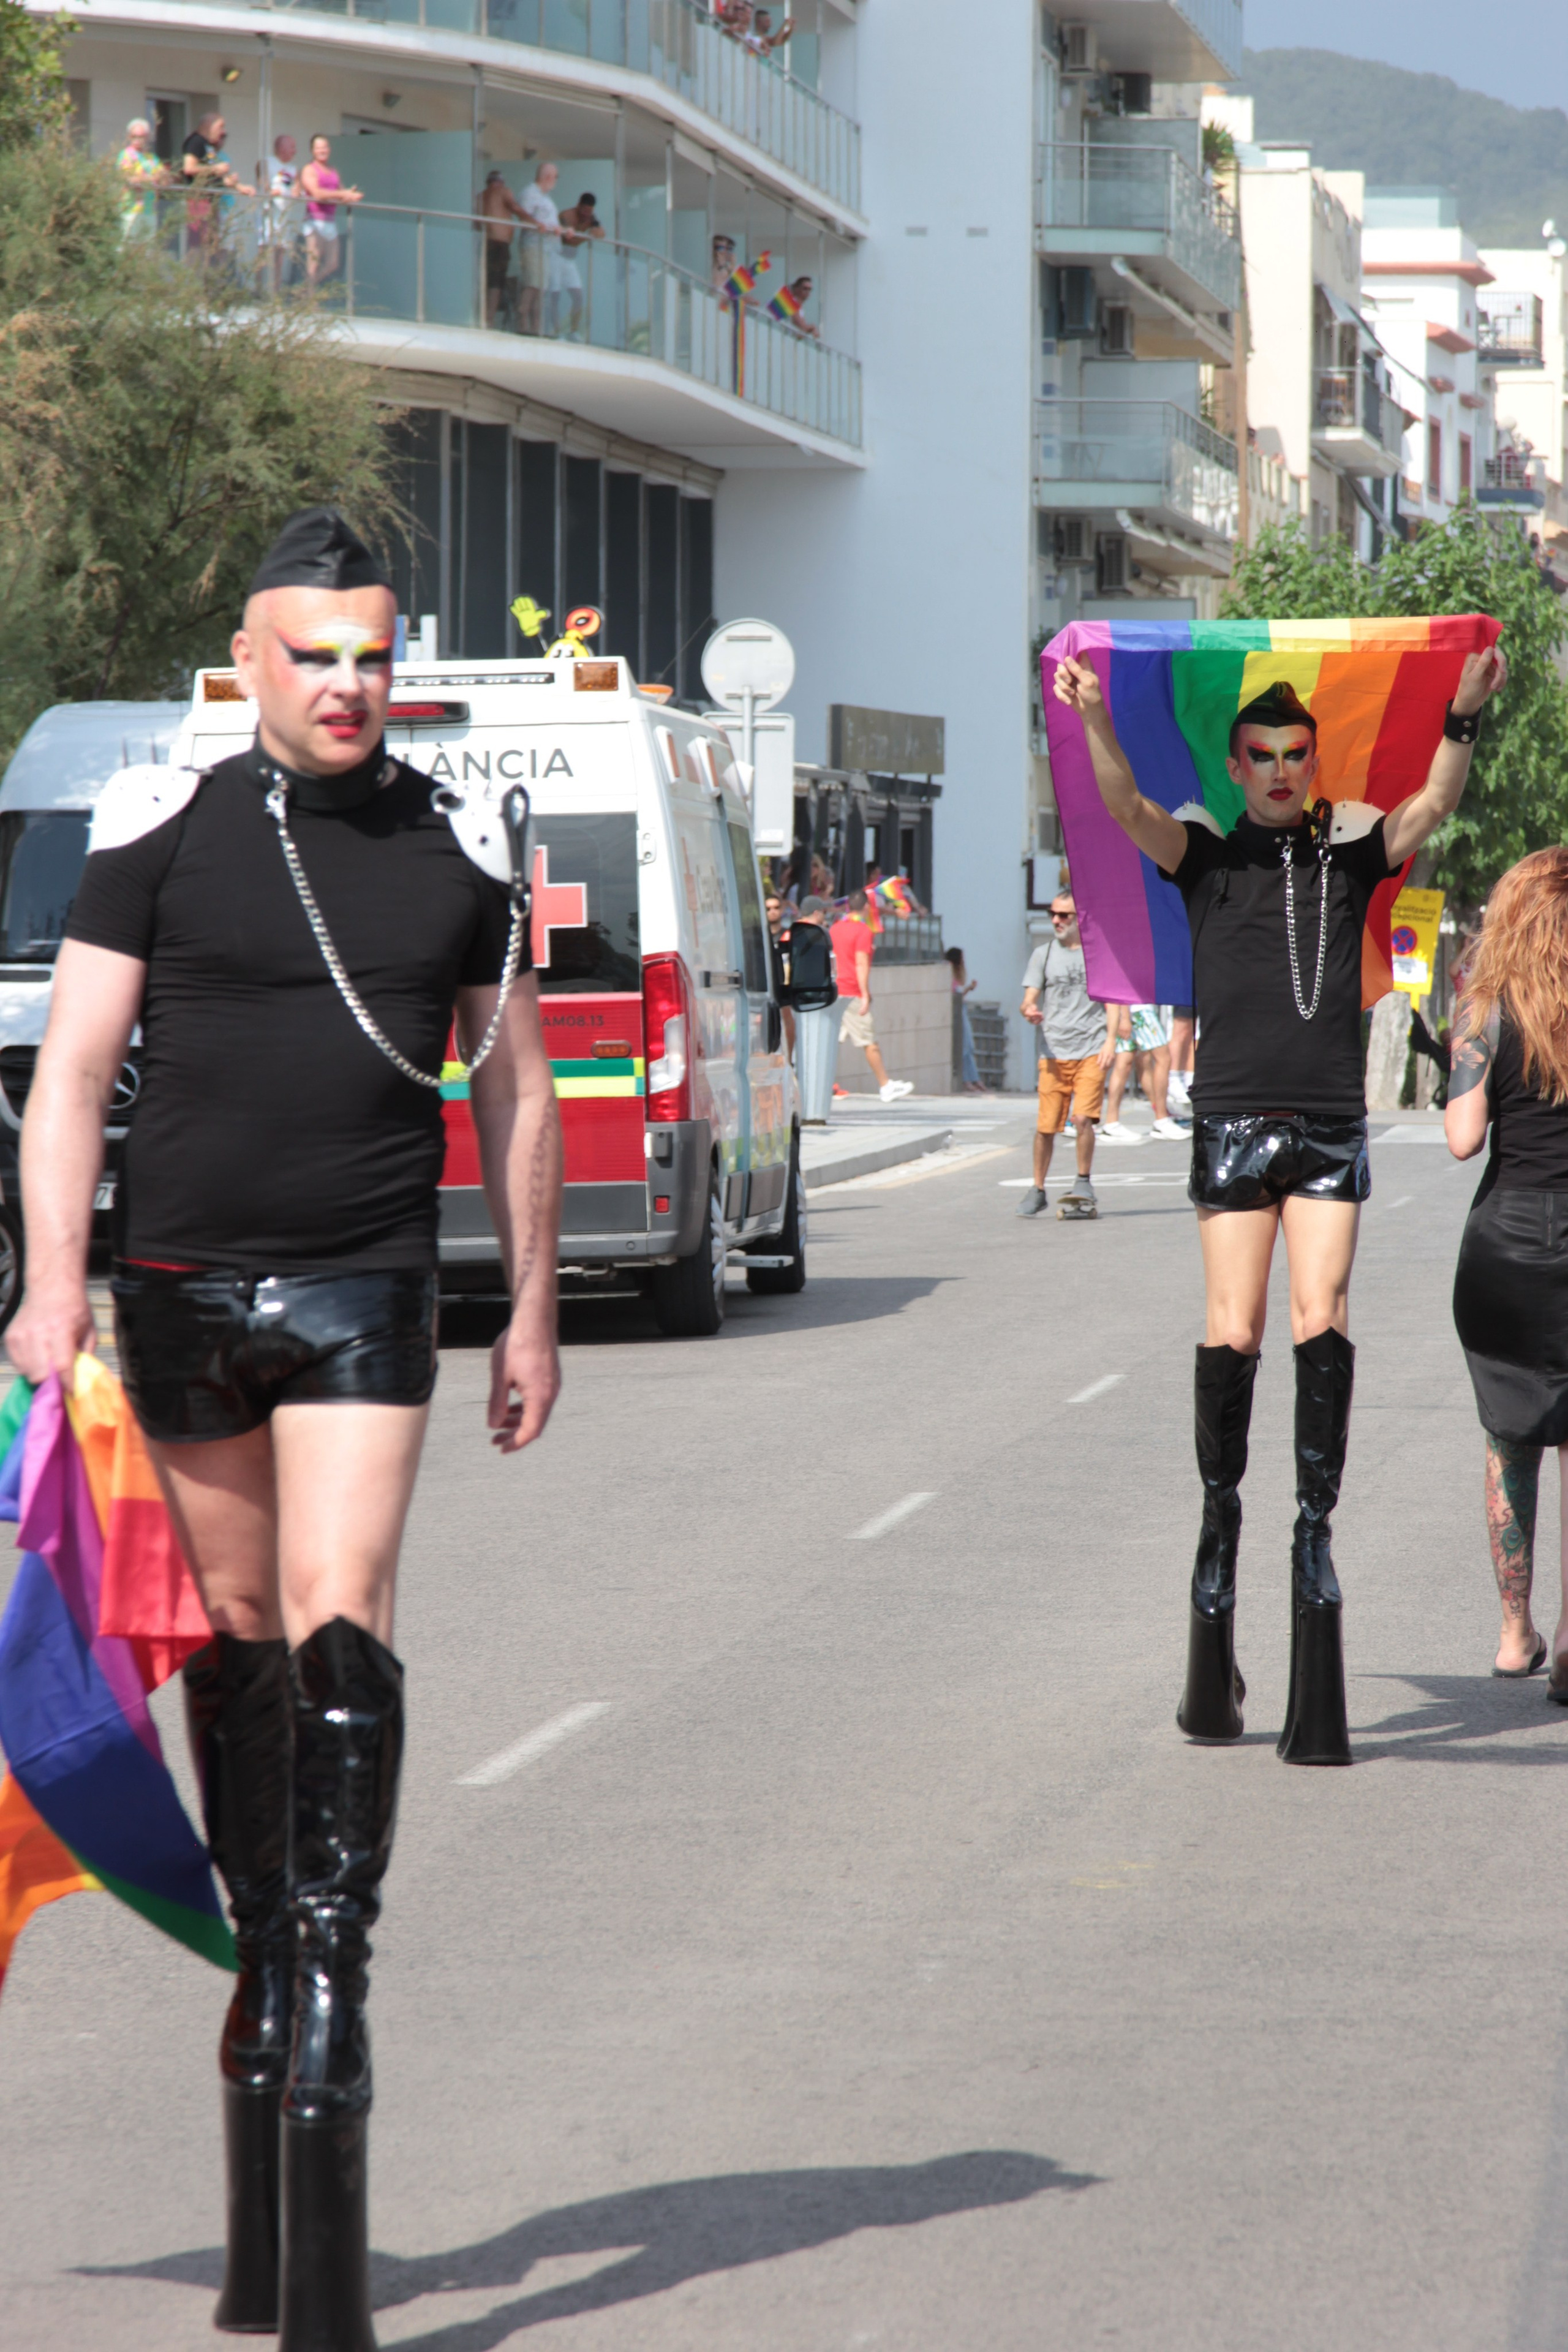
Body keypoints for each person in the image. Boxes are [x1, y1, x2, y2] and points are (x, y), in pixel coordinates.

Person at [7, 505, 562, 2345]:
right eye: (311, 653)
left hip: (365, 1291)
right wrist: (49, 1281)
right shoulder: (153, 827)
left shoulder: (453, 840)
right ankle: (265, 1970)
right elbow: (72, 1072)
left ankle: (324, 1983)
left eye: (371, 653)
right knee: (239, 1644)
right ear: (246, 661)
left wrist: (537, 1301)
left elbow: (522, 1091)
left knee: (341, 1613)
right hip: (176, 1296)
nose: (344, 683)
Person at [1056, 648, 1507, 1762]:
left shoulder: (1349, 848)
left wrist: (1459, 714)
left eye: (1294, 756)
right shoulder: (1205, 853)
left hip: (1326, 1128)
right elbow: (1125, 808)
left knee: (1323, 1320)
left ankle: (1313, 1543)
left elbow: (1433, 806)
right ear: (1236, 763)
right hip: (1231, 1124)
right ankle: (1221, 1536)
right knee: (1234, 1330)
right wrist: (1099, 721)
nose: (1277, 771)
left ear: (1313, 762)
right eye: (1259, 756)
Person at [1447, 850, 1568, 1689]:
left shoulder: (1486, 1008)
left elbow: (1460, 1139)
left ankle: (1514, 1632)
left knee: (1508, 1442)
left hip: (1504, 1248)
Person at [1017, 891, 1117, 1219]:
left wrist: (1110, 1040)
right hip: (1053, 1051)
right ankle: (1038, 1188)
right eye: (1053, 915)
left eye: (1065, 916)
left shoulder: (1098, 953)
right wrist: (1029, 1009)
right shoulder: (1043, 955)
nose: (1057, 921)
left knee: (1083, 1118)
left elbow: (1113, 1000)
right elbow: (1029, 997)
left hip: (1090, 1047)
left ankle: (1083, 1180)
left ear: (1080, 918)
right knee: (1046, 1127)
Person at [831, 888, 913, 1102]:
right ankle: (885, 1086)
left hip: (834, 991)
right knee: (869, 1042)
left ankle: (827, 1084)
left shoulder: (835, 929)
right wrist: (865, 994)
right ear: (866, 907)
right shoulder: (863, 931)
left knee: (831, 1042)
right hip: (852, 992)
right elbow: (861, 962)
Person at [1101, 1002, 1187, 1142]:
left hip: (1128, 1011)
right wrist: (1125, 1018)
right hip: (1138, 1010)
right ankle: (1162, 1119)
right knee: (1163, 1058)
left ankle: (1112, 1122)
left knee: (1128, 1062)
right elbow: (1125, 984)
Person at [181, 113, 254, 258]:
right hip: (199, 202)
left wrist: (239, 187)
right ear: (209, 125)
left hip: (212, 204)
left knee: (212, 246)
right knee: (198, 248)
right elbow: (189, 168)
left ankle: (209, 279)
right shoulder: (196, 142)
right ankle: (191, 279)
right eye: (221, 127)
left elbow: (218, 176)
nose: (223, 132)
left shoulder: (208, 148)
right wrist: (216, 169)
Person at [300, 133, 361, 288]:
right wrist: (343, 194)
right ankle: (309, 299)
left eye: (325, 147)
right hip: (314, 220)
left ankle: (305, 290)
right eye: (319, 148)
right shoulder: (309, 170)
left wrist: (350, 196)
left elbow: (340, 195)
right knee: (313, 263)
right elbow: (317, 194)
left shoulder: (334, 171)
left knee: (333, 263)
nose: (322, 150)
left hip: (330, 221)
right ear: (313, 151)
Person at [518, 160, 564, 337]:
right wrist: (539, 226)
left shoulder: (547, 199)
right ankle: (522, 317)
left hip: (546, 250)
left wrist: (565, 231)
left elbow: (552, 225)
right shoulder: (530, 194)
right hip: (533, 246)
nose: (556, 181)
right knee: (533, 284)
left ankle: (536, 327)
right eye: (555, 177)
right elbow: (524, 218)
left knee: (541, 288)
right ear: (548, 177)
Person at [479, 170, 529, 328]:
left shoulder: (480, 197)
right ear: (501, 182)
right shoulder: (503, 192)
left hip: (483, 242)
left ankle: (481, 316)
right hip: (499, 243)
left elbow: (475, 224)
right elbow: (516, 208)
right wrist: (536, 223)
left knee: (484, 280)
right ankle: (489, 319)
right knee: (496, 283)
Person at [556, 190, 605, 340]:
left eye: (589, 211)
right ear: (578, 206)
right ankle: (555, 331)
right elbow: (568, 240)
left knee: (578, 296)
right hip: (556, 259)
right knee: (554, 296)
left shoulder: (591, 218)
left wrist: (596, 231)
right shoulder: (566, 216)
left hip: (570, 262)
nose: (586, 214)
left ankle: (574, 331)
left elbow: (601, 233)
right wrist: (587, 237)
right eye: (584, 210)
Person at [259, 134, 301, 292]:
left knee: (279, 257)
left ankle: (275, 293)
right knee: (264, 253)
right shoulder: (267, 163)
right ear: (282, 148)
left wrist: (297, 190)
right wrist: (269, 190)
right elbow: (262, 182)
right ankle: (258, 290)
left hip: (284, 218)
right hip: (268, 214)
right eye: (292, 147)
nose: (295, 151)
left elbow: (297, 187)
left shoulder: (293, 169)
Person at [116, 118, 166, 238]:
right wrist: (153, 178)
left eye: (141, 137)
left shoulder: (151, 158)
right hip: (130, 210)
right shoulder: (126, 155)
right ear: (129, 137)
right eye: (134, 136)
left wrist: (157, 177)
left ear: (147, 138)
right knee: (128, 247)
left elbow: (165, 178)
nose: (138, 140)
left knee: (147, 251)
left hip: (149, 210)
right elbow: (130, 179)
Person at [945, 946, 984, 1093]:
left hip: (961, 1010)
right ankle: (967, 1080)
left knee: (968, 1046)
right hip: (957, 1012)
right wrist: (968, 989)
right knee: (964, 1046)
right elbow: (956, 997)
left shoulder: (955, 975)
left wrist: (968, 988)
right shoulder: (949, 974)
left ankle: (974, 1078)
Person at [1167, 1003, 1196, 1118]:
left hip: (1199, 988)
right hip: (1183, 989)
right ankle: (1173, 1078)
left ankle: (1188, 1078)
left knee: (1193, 1032)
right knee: (1181, 1029)